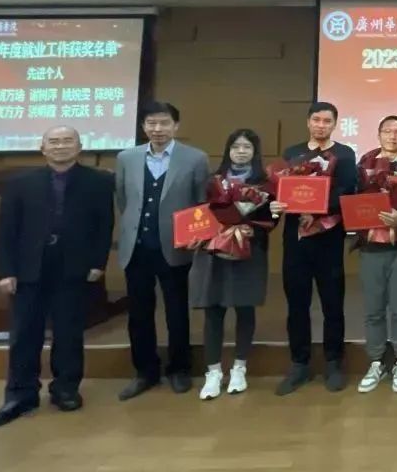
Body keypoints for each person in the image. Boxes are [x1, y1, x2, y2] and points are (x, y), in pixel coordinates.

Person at [0, 126, 114, 428]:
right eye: (53, 142)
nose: (60, 146)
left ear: (79, 147)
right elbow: (5, 229)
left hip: (73, 266)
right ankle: (20, 394)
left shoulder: (97, 181)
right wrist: (5, 271)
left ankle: (65, 388)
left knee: (69, 332)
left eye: (67, 141)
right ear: (42, 148)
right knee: (24, 334)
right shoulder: (20, 183)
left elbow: (104, 224)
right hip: (28, 268)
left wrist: (98, 262)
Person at [116, 102, 209, 400]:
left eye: (164, 123)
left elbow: (201, 202)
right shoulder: (126, 158)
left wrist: (197, 236)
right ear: (143, 126)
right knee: (138, 313)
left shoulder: (195, 158)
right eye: (151, 123)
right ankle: (145, 371)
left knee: (176, 311)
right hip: (136, 247)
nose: (157, 129)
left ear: (176, 126)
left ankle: (179, 369)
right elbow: (124, 200)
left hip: (175, 246)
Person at [275, 101, 359, 395]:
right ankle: (300, 363)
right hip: (296, 239)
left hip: (328, 238)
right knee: (297, 304)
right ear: (308, 122)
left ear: (334, 124)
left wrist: (317, 207)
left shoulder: (345, 154)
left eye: (327, 121)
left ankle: (334, 362)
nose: (321, 125)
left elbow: (347, 191)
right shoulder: (292, 154)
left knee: (332, 303)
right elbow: (282, 190)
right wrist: (283, 204)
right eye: (316, 120)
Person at [192, 129, 275, 401]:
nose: (241, 151)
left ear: (255, 152)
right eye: (236, 147)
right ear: (228, 150)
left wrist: (255, 229)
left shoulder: (265, 184)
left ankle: (239, 368)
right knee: (213, 311)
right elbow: (199, 214)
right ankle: (213, 372)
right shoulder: (212, 181)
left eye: (247, 147)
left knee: (244, 308)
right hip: (214, 252)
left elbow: (271, 219)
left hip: (249, 251)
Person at [353, 115, 397, 394]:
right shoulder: (364, 164)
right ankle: (376, 361)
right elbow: (354, 198)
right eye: (387, 131)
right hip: (371, 246)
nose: (393, 136)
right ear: (379, 134)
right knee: (373, 309)